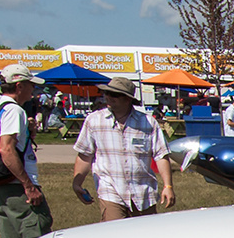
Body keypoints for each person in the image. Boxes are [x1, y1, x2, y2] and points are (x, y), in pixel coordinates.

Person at [70, 76, 175, 221]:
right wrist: (77, 183)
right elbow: (85, 155)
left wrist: (168, 186)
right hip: (111, 192)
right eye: (106, 93)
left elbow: (161, 155)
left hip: (144, 194)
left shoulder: (148, 123)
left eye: (114, 95)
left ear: (127, 99)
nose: (108, 97)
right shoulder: (94, 121)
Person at [0, 65, 51, 238]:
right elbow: (7, 149)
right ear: (19, 86)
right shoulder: (13, 110)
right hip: (17, 186)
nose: (33, 90)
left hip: (0, 184)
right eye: (30, 85)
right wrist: (28, 186)